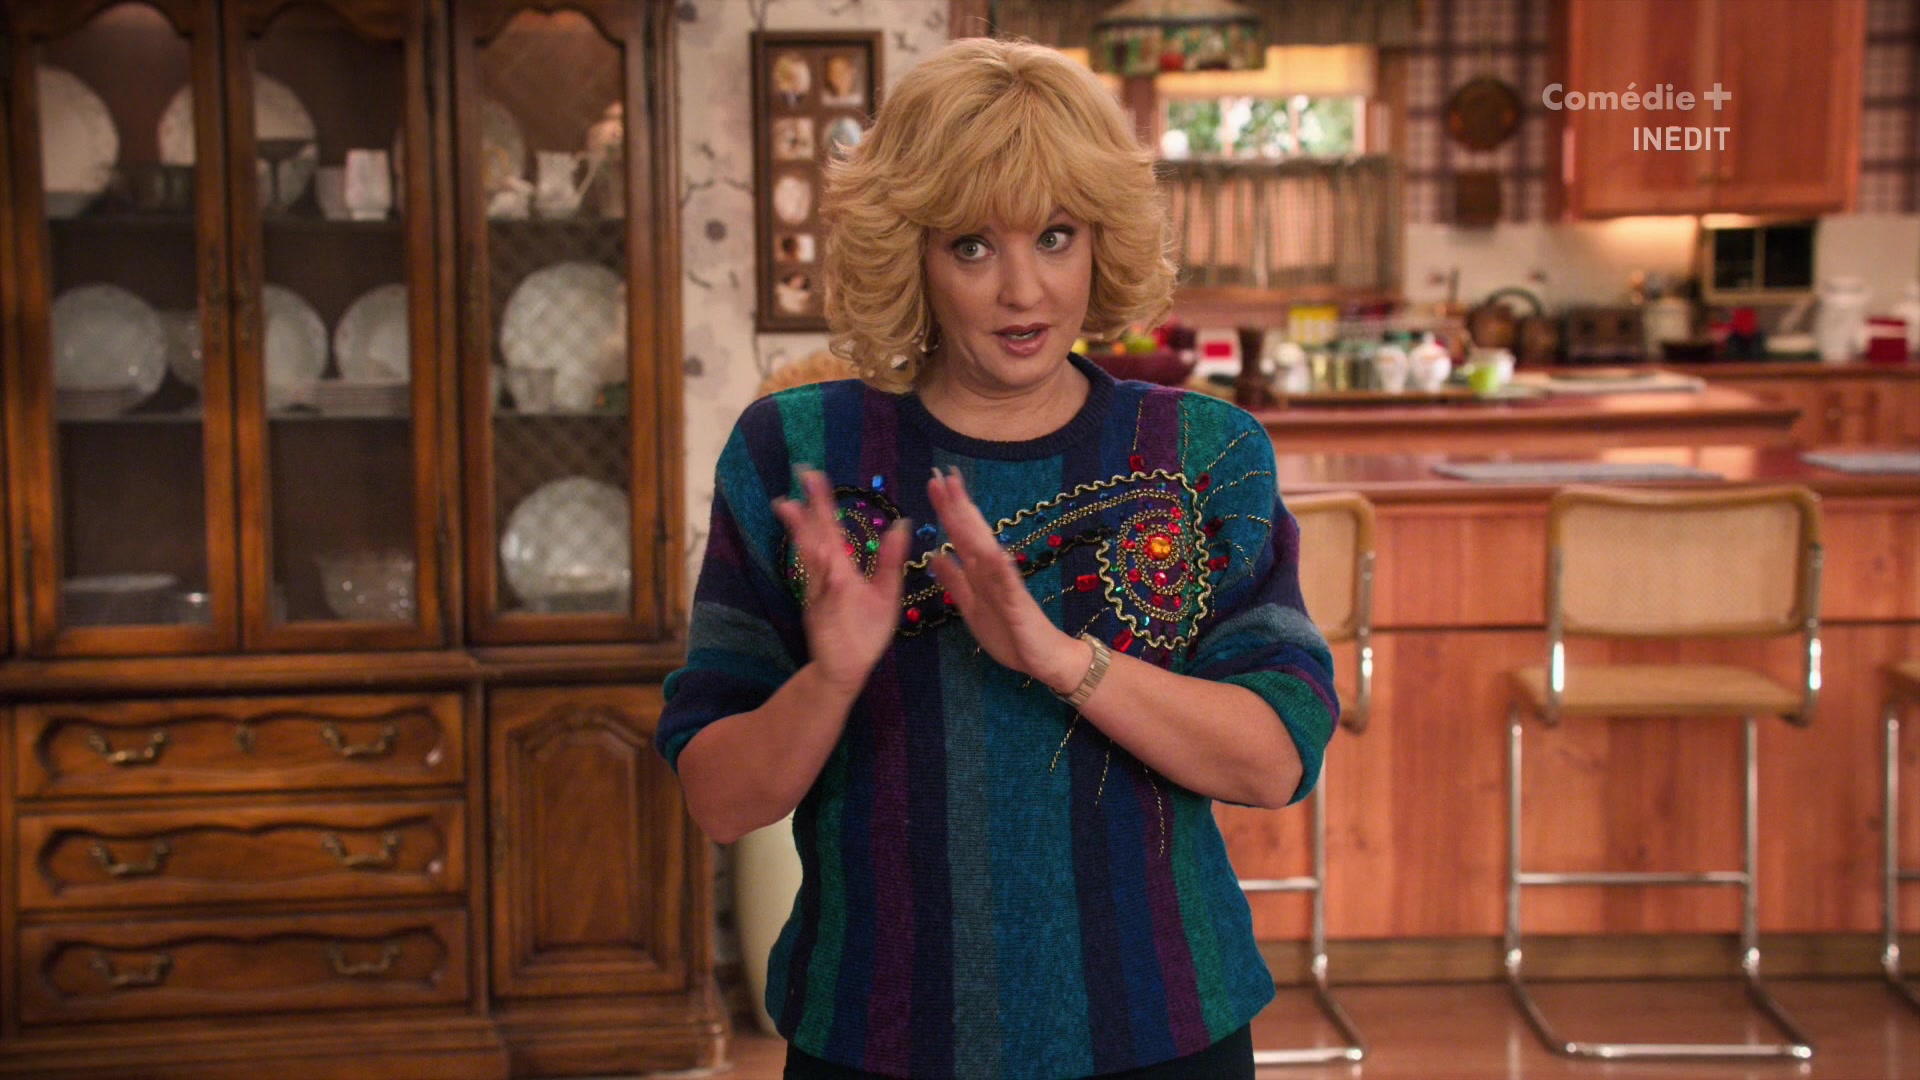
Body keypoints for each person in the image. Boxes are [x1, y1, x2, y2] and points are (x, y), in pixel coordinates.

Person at [656, 37, 1336, 1080]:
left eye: (1055, 237)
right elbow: (719, 799)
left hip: (1158, 1028)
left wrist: (1061, 659)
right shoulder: (797, 453)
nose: (1024, 289)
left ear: (1101, 239)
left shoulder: (1202, 452)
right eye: (972, 246)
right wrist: (831, 678)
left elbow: (1276, 759)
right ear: (913, 257)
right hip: (878, 1031)